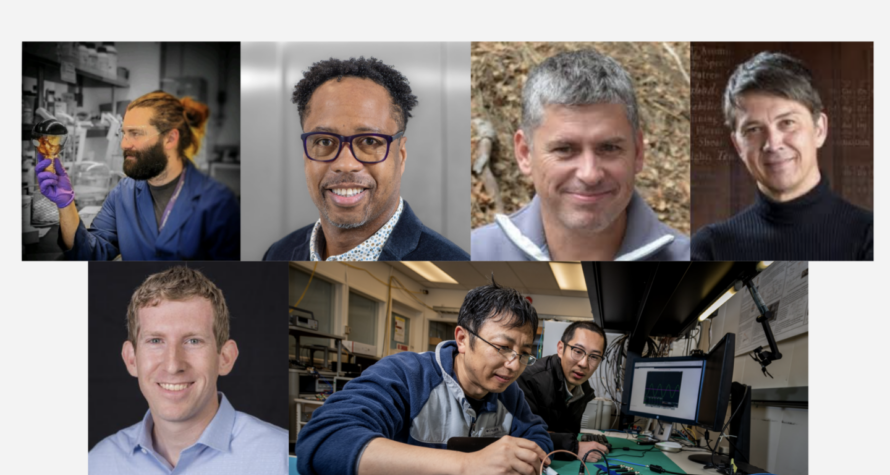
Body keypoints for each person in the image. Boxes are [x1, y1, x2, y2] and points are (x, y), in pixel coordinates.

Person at [295, 281, 553, 475]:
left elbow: (536, 435)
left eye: (524, 354)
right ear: (462, 339)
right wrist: (468, 465)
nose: (513, 364)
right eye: (502, 347)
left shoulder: (508, 392)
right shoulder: (406, 375)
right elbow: (324, 441)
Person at [471, 49, 689, 261]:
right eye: (565, 149)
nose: (590, 174)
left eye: (609, 148)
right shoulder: (471, 258)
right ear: (525, 153)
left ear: (638, 152)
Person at [89, 266, 286, 475]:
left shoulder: (281, 461)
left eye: (193, 341)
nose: (173, 365)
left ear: (225, 358)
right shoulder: (97, 466)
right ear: (131, 359)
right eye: (155, 341)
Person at [263, 56, 469, 261]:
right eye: (324, 142)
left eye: (370, 141)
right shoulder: (278, 253)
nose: (345, 164)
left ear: (401, 155)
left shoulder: (452, 261)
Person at [691, 51, 873, 261]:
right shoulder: (708, 249)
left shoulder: (871, 238)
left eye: (787, 123)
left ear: (819, 130)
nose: (772, 144)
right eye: (753, 129)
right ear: (738, 146)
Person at [35, 91, 240, 260]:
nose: (124, 144)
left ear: (170, 139)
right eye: (124, 133)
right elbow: (91, 254)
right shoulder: (124, 194)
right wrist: (65, 204)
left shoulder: (216, 204)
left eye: (136, 133)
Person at [517, 321, 610, 461]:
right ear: (561, 348)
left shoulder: (583, 389)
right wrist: (574, 448)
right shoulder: (529, 379)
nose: (584, 363)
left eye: (594, 357)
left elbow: (567, 432)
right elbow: (523, 437)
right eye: (578, 351)